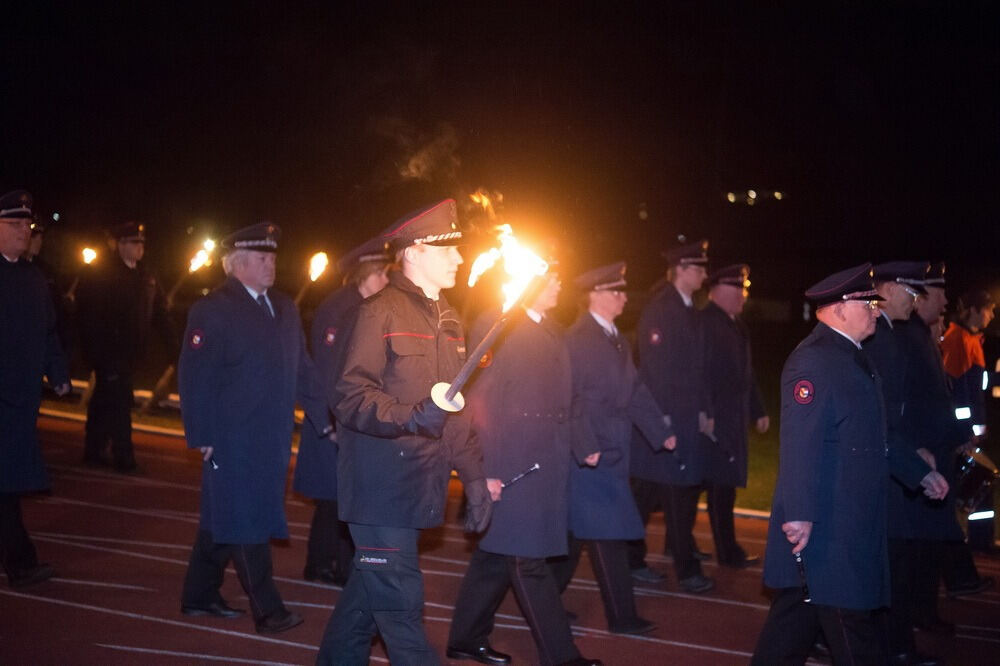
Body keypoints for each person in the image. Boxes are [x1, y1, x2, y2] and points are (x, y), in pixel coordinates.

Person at [317, 199, 493, 666]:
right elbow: (350, 396)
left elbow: (456, 412)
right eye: (448, 249)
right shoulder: (379, 312)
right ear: (414, 253)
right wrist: (412, 415)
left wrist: (474, 478)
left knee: (365, 607)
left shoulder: (448, 320)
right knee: (402, 613)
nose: (460, 258)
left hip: (419, 486)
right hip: (379, 489)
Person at [751, 263, 946, 665]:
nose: (876, 310)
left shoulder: (854, 357)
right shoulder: (815, 362)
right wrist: (800, 514)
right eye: (867, 303)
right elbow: (800, 444)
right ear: (839, 309)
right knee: (852, 630)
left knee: (792, 627)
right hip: (828, 527)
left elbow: (877, 436)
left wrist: (919, 471)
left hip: (849, 522)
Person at [178, 222, 332, 634]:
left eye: (273, 258)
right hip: (230, 438)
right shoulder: (213, 309)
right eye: (262, 258)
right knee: (246, 518)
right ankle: (268, 610)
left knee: (224, 516)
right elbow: (195, 376)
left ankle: (199, 594)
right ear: (236, 265)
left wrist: (326, 418)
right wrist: (201, 434)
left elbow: (303, 370)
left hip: (271, 438)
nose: (272, 265)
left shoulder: (284, 307)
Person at [448, 268, 603, 666]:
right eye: (549, 279)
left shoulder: (549, 327)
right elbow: (479, 401)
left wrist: (584, 445)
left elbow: (569, 398)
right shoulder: (496, 324)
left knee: (495, 557)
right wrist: (483, 472)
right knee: (526, 562)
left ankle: (465, 637)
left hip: (544, 464)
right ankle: (561, 656)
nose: (558, 285)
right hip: (512, 465)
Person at [549, 261, 674, 636]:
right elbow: (569, 398)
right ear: (595, 296)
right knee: (608, 535)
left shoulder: (614, 336)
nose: (623, 297)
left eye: (622, 290)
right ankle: (622, 618)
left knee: (575, 538)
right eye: (615, 291)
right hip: (592, 454)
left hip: (612, 451)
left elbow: (634, 390)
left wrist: (658, 429)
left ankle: (544, 602)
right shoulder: (579, 339)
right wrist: (585, 445)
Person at [865, 261, 951, 665]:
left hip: (894, 462)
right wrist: (915, 463)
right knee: (888, 562)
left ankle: (891, 644)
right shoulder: (878, 337)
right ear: (886, 287)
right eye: (910, 290)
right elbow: (880, 419)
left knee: (889, 562)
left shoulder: (888, 335)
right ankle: (892, 647)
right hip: (883, 469)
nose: (916, 299)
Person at [293, 234, 390, 586]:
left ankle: (336, 565)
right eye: (382, 274)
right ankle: (321, 565)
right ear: (365, 274)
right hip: (333, 421)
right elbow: (327, 371)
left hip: (349, 421)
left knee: (342, 498)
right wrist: (331, 422)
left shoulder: (365, 307)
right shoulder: (340, 308)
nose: (387, 281)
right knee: (333, 500)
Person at [629, 238, 715, 592]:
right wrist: (662, 419)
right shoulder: (663, 308)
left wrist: (701, 411)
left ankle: (631, 559)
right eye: (698, 268)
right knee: (675, 492)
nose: (704, 274)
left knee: (649, 494)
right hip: (665, 420)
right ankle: (686, 568)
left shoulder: (686, 306)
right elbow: (656, 369)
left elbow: (695, 367)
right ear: (680, 270)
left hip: (680, 417)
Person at [0, 189, 71, 588]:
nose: (21, 231)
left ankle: (20, 560)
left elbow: (48, 332)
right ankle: (21, 563)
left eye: (25, 224)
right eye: (12, 224)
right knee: (6, 487)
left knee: (7, 485)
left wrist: (57, 373)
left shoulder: (32, 277)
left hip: (21, 402)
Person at [77, 220, 177, 472]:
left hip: (131, 353)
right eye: (134, 242)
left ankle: (94, 447)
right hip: (109, 352)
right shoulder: (102, 275)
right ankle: (124, 455)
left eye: (142, 242)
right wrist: (93, 352)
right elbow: (89, 316)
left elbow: (160, 315)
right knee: (121, 401)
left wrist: (175, 349)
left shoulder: (147, 277)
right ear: (120, 245)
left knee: (103, 399)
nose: (139, 247)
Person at [701, 264, 768, 569]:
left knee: (719, 486)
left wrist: (758, 409)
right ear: (720, 290)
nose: (744, 294)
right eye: (739, 288)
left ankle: (686, 547)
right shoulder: (705, 323)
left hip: (733, 420)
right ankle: (727, 553)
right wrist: (706, 413)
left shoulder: (736, 325)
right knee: (717, 487)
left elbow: (747, 372)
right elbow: (698, 374)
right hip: (714, 422)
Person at [941, 288, 996, 439]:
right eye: (988, 310)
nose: (992, 315)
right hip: (960, 432)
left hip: (971, 428)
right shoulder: (958, 338)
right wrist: (965, 431)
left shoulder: (972, 339)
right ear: (973, 310)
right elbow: (957, 388)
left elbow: (975, 381)